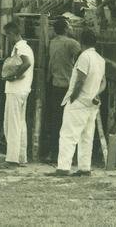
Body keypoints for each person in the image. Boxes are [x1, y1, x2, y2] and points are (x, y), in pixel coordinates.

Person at [48, 28, 106, 177]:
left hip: (79, 101)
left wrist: (73, 97)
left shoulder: (84, 57)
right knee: (87, 136)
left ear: (81, 42)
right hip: (92, 101)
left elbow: (80, 79)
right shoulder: (100, 59)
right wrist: (96, 93)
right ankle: (85, 167)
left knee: (68, 135)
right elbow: (103, 82)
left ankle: (63, 167)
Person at [44, 18, 80, 160]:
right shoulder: (71, 43)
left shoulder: (52, 43)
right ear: (66, 29)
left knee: (55, 120)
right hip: (68, 86)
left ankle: (54, 152)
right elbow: (82, 58)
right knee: (70, 121)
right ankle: (69, 154)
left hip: (55, 84)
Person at [1, 20, 34, 167]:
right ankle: (20, 157)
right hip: (21, 89)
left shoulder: (21, 47)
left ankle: (12, 158)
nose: (7, 38)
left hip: (16, 89)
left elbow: (26, 63)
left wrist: (14, 76)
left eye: (7, 35)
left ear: (13, 34)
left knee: (12, 123)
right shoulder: (21, 47)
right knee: (20, 123)